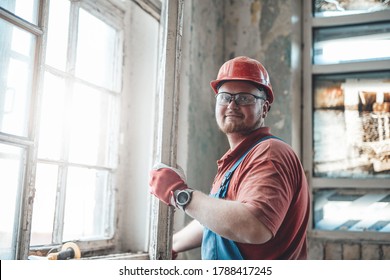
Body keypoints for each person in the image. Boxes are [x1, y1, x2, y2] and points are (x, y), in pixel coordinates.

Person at [149, 56, 310, 260]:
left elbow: (253, 226)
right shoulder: (238, 159)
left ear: (265, 108)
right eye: (225, 97)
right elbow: (219, 219)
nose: (232, 105)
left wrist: (181, 195)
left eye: (244, 98)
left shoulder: (269, 153)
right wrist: (171, 245)